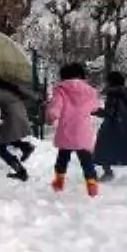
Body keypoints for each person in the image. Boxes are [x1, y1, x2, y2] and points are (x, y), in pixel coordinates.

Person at [45, 62, 102, 197]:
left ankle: (59, 181)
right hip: (83, 131)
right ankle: (92, 184)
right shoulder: (90, 91)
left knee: (63, 158)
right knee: (86, 160)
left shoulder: (61, 90)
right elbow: (94, 107)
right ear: (81, 75)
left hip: (66, 131)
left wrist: (51, 115)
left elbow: (56, 107)